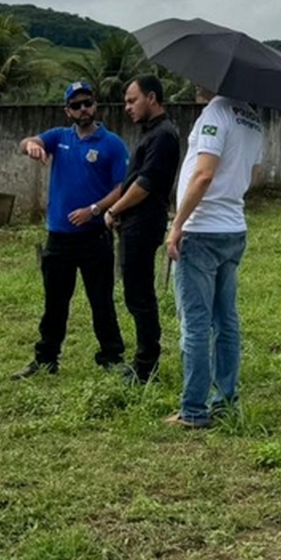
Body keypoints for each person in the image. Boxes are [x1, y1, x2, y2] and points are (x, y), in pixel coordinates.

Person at [13, 81, 129, 378]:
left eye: (87, 103)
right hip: (59, 237)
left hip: (94, 236)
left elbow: (122, 188)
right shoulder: (59, 137)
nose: (83, 109)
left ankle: (111, 357)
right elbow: (27, 141)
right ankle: (46, 359)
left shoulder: (112, 144)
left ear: (96, 105)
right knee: (55, 302)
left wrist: (95, 209)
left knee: (101, 300)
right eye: (76, 105)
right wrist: (33, 146)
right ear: (68, 111)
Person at [164, 88, 264, 428]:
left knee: (195, 324)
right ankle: (225, 402)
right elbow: (251, 173)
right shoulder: (252, 120)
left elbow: (204, 174)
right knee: (226, 321)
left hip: (202, 230)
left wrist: (177, 224)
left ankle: (193, 410)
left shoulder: (215, 114)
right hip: (233, 228)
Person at [104, 75, 181, 384]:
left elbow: (145, 185)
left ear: (152, 98)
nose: (127, 107)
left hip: (144, 223)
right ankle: (145, 361)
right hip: (135, 223)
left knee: (140, 296)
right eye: (125, 101)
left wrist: (114, 209)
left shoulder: (163, 135)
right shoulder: (152, 133)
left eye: (132, 100)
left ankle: (147, 365)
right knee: (136, 293)